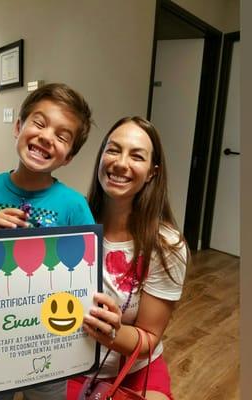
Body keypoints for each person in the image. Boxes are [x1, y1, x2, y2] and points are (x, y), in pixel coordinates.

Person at [0, 83, 94, 400]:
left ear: (68, 157)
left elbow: (87, 271)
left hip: (52, 332)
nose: (46, 136)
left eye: (62, 135)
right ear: (18, 127)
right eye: (39, 123)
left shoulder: (73, 205)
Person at [66, 116, 189, 400]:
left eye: (137, 156)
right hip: (73, 363)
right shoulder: (70, 223)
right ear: (100, 158)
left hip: (135, 368)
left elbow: (148, 337)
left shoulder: (167, 245)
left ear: (152, 172)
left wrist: (113, 332)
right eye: (113, 150)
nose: (121, 163)